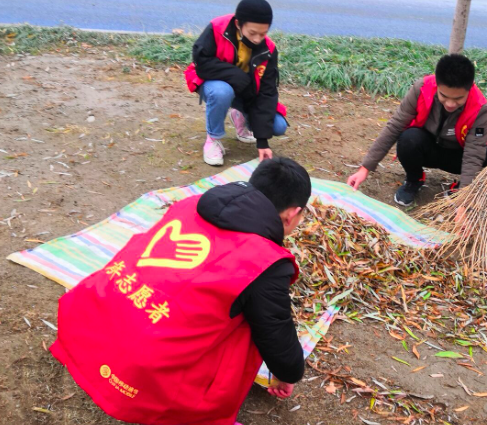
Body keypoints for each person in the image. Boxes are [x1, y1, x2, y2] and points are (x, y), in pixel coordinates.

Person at [50, 158, 311, 425]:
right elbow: (275, 332)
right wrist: (288, 373)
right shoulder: (264, 262)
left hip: (88, 327)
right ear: (293, 213)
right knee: (249, 319)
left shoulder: (190, 204)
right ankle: (194, 411)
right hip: (142, 375)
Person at [347, 54, 487, 206]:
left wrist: (464, 199)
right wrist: (365, 168)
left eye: (458, 99)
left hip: (457, 156)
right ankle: (414, 179)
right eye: (444, 96)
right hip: (426, 149)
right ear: (437, 85)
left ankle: (459, 190)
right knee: (408, 138)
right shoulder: (422, 89)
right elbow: (395, 125)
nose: (450, 104)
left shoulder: (480, 108)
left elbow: (474, 151)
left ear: (469, 88)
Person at [185, 0, 288, 167]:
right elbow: (202, 63)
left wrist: (262, 142)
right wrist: (237, 75)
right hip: (213, 83)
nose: (257, 39)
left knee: (278, 126)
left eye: (263, 33)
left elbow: (267, 92)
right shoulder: (217, 28)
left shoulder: (268, 49)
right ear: (238, 24)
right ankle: (213, 139)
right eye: (252, 33)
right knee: (222, 91)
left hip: (246, 91)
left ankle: (239, 114)